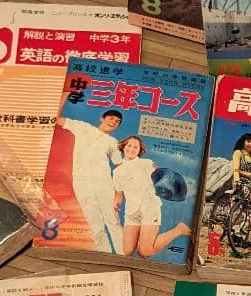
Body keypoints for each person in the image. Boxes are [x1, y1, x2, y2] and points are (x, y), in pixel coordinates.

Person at [56, 107, 124, 253]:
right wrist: (65, 95)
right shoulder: (82, 127)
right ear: (102, 118)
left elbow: (120, 166)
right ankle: (104, 253)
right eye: (111, 118)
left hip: (103, 182)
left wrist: (120, 193)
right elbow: (56, 119)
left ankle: (123, 254)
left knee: (113, 220)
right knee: (94, 222)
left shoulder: (113, 142)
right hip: (81, 182)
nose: (114, 122)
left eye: (117, 122)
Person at [112, 135, 191, 259]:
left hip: (150, 209)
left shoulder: (147, 164)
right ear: (123, 147)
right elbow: (119, 193)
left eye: (135, 147)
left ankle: (178, 230)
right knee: (127, 252)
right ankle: (142, 239)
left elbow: (164, 178)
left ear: (140, 151)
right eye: (129, 145)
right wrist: (116, 204)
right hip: (132, 212)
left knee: (145, 252)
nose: (131, 149)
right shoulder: (117, 172)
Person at [231, 132, 251, 199]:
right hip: (239, 182)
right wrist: (237, 181)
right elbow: (236, 169)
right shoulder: (238, 153)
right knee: (240, 201)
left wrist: (244, 173)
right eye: (248, 141)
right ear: (243, 143)